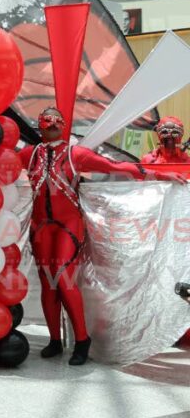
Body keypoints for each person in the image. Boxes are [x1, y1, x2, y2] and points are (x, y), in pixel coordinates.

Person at [18, 106, 183, 366]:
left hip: (68, 226)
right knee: (48, 283)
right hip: (40, 227)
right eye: (46, 120)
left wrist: (161, 174)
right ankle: (54, 339)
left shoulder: (76, 154)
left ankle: (82, 340)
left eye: (56, 121)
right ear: (39, 125)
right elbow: (2, 169)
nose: (51, 124)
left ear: (64, 125)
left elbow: (118, 166)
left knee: (64, 278)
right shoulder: (29, 154)